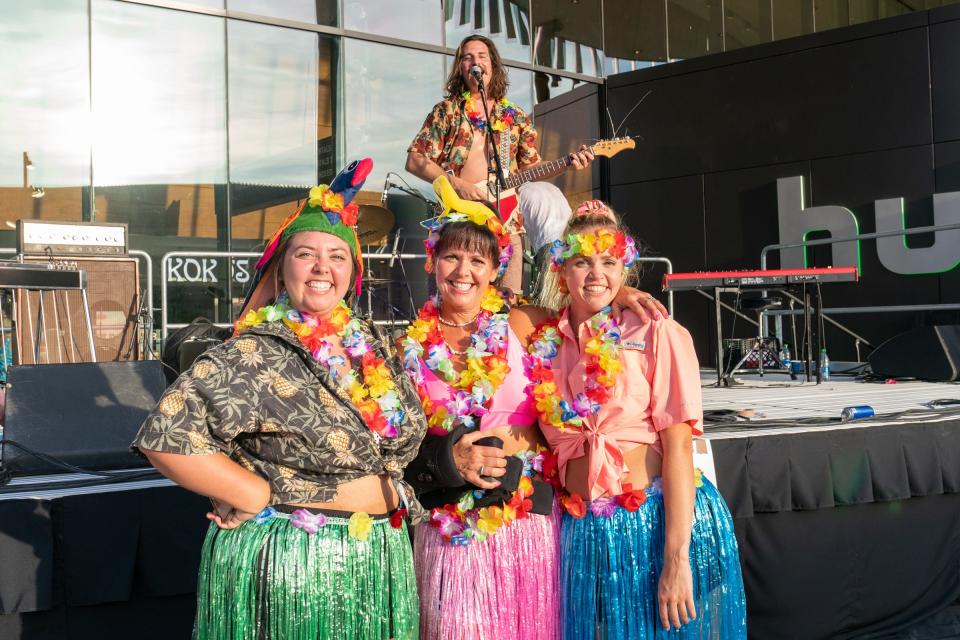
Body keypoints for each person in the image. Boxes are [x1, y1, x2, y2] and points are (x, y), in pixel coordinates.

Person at [132, 159, 428, 640]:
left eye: (337, 256)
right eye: (305, 254)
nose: (321, 268)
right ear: (281, 267)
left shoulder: (372, 346)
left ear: (352, 272)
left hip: (378, 557)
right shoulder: (258, 349)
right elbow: (165, 434)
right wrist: (250, 492)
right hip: (300, 565)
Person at [401, 177, 666, 640]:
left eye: (478, 260)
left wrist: (622, 292)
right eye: (452, 257)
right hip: (450, 532)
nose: (464, 271)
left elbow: (586, 299)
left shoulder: (523, 323)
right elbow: (398, 445)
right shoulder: (406, 347)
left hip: (526, 529)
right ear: (433, 261)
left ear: (496, 268)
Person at [527, 204, 747, 638]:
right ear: (560, 270)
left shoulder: (655, 331)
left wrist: (676, 559)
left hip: (652, 525)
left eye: (609, 263)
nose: (596, 274)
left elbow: (680, 444)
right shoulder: (544, 343)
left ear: (624, 269)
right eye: (582, 262)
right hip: (581, 533)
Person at [406, 34, 593, 295]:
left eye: (482, 56)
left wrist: (568, 165)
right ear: (460, 67)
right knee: (455, 295)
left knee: (508, 300)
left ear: (492, 64)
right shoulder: (447, 111)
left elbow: (529, 168)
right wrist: (457, 184)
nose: (475, 61)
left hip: (506, 222)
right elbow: (415, 159)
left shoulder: (513, 116)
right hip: (460, 218)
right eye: (467, 56)